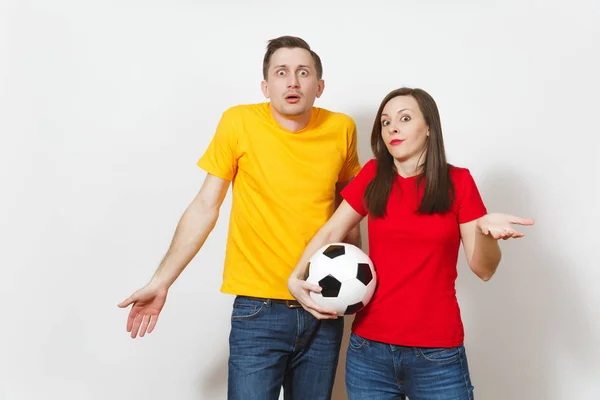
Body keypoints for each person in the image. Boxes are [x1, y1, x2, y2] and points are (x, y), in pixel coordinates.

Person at [117, 36, 362, 400]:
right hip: (258, 311)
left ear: (319, 86)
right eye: (281, 72)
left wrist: (357, 290)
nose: (292, 81)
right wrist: (161, 280)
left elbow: (351, 213)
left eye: (303, 72)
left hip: (322, 306)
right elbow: (205, 206)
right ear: (266, 86)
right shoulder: (239, 123)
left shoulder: (342, 129)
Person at [287, 87, 535, 399]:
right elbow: (330, 233)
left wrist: (485, 234)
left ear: (429, 127)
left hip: (437, 356)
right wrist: (295, 278)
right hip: (369, 353)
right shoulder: (374, 175)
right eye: (386, 122)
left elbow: (484, 269)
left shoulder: (458, 182)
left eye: (404, 118)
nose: (392, 128)